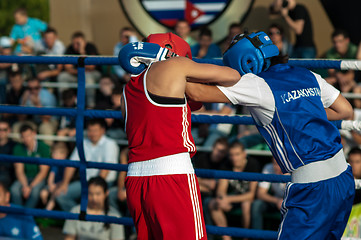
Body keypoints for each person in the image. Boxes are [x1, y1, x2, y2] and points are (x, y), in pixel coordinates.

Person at [185, 31, 355, 239]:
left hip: (313, 188)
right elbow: (345, 110)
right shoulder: (307, 74)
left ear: (245, 61)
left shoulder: (256, 83)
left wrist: (164, 65)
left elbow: (196, 93)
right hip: (343, 177)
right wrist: (301, 112)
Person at [119, 32, 240, 239]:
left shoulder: (126, 92)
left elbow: (188, 98)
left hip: (136, 180)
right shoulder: (174, 66)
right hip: (171, 175)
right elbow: (232, 76)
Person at [55, 119, 119, 212]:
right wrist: (64, 183)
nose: (92, 133)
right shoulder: (84, 142)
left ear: (103, 130)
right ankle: (81, 216)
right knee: (61, 195)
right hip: (85, 182)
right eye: (90, 130)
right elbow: (71, 164)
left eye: (95, 130)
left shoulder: (110, 144)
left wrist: (94, 189)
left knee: (95, 198)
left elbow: (105, 170)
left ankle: (86, 215)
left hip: (103, 183)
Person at [208, 142, 260, 240]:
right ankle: (227, 238)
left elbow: (251, 195)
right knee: (213, 203)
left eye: (237, 154)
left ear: (244, 154)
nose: (234, 158)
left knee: (246, 204)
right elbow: (221, 190)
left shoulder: (252, 164)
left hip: (247, 200)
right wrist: (221, 199)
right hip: (233, 199)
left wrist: (228, 199)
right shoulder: (226, 165)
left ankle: (246, 238)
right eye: (231, 155)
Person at [11, 124, 50, 208]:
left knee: (35, 191)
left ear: (34, 134)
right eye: (23, 137)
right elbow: (19, 171)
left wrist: (30, 187)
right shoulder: (18, 148)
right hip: (25, 178)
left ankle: (26, 216)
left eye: (28, 135)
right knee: (14, 189)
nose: (26, 139)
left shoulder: (43, 147)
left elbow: (43, 173)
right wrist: (25, 186)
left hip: (38, 179)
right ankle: (18, 214)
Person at [58, 31, 101, 108]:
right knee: (62, 76)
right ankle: (64, 104)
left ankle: (91, 105)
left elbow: (92, 67)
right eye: (74, 43)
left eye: (78, 43)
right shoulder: (70, 49)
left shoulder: (90, 47)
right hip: (78, 74)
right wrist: (81, 71)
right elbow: (68, 68)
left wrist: (82, 51)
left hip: (93, 74)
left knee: (88, 77)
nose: (76, 45)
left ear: (84, 42)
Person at [251, 158, 287, 230]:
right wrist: (277, 200)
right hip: (275, 201)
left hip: (290, 202)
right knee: (257, 205)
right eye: (274, 163)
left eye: (279, 164)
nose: (276, 167)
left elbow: (298, 196)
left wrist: (284, 202)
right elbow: (260, 194)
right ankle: (257, 236)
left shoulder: (295, 171)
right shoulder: (268, 167)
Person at [40, 142, 69, 210]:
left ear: (64, 155)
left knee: (54, 196)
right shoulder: (55, 164)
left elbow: (66, 179)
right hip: (54, 185)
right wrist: (51, 185)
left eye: (55, 153)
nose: (53, 155)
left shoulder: (67, 165)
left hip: (61, 185)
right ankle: (46, 207)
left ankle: (47, 211)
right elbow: (51, 176)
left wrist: (56, 185)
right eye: (53, 153)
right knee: (43, 193)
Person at [0, 120, 16, 186]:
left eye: (4, 129)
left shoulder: (15, 146)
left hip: (8, 175)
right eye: (0, 129)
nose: (1, 132)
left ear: (9, 130)